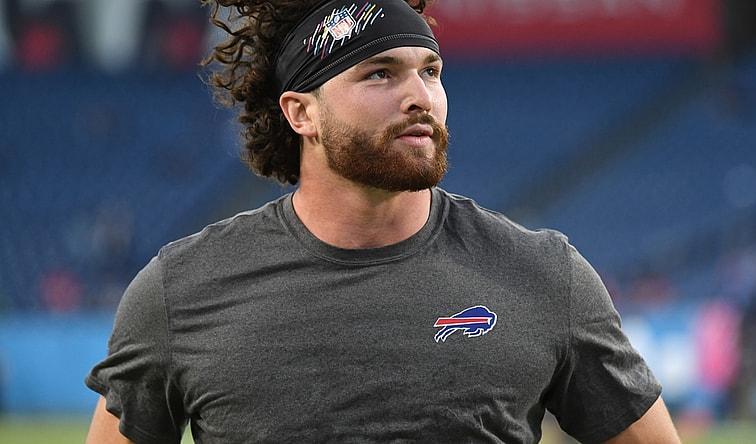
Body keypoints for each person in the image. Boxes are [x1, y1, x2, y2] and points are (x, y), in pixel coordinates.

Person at [85, 1, 682, 443]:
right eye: (379, 73)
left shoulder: (544, 274)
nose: (421, 96)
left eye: (431, 70)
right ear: (301, 113)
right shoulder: (181, 290)